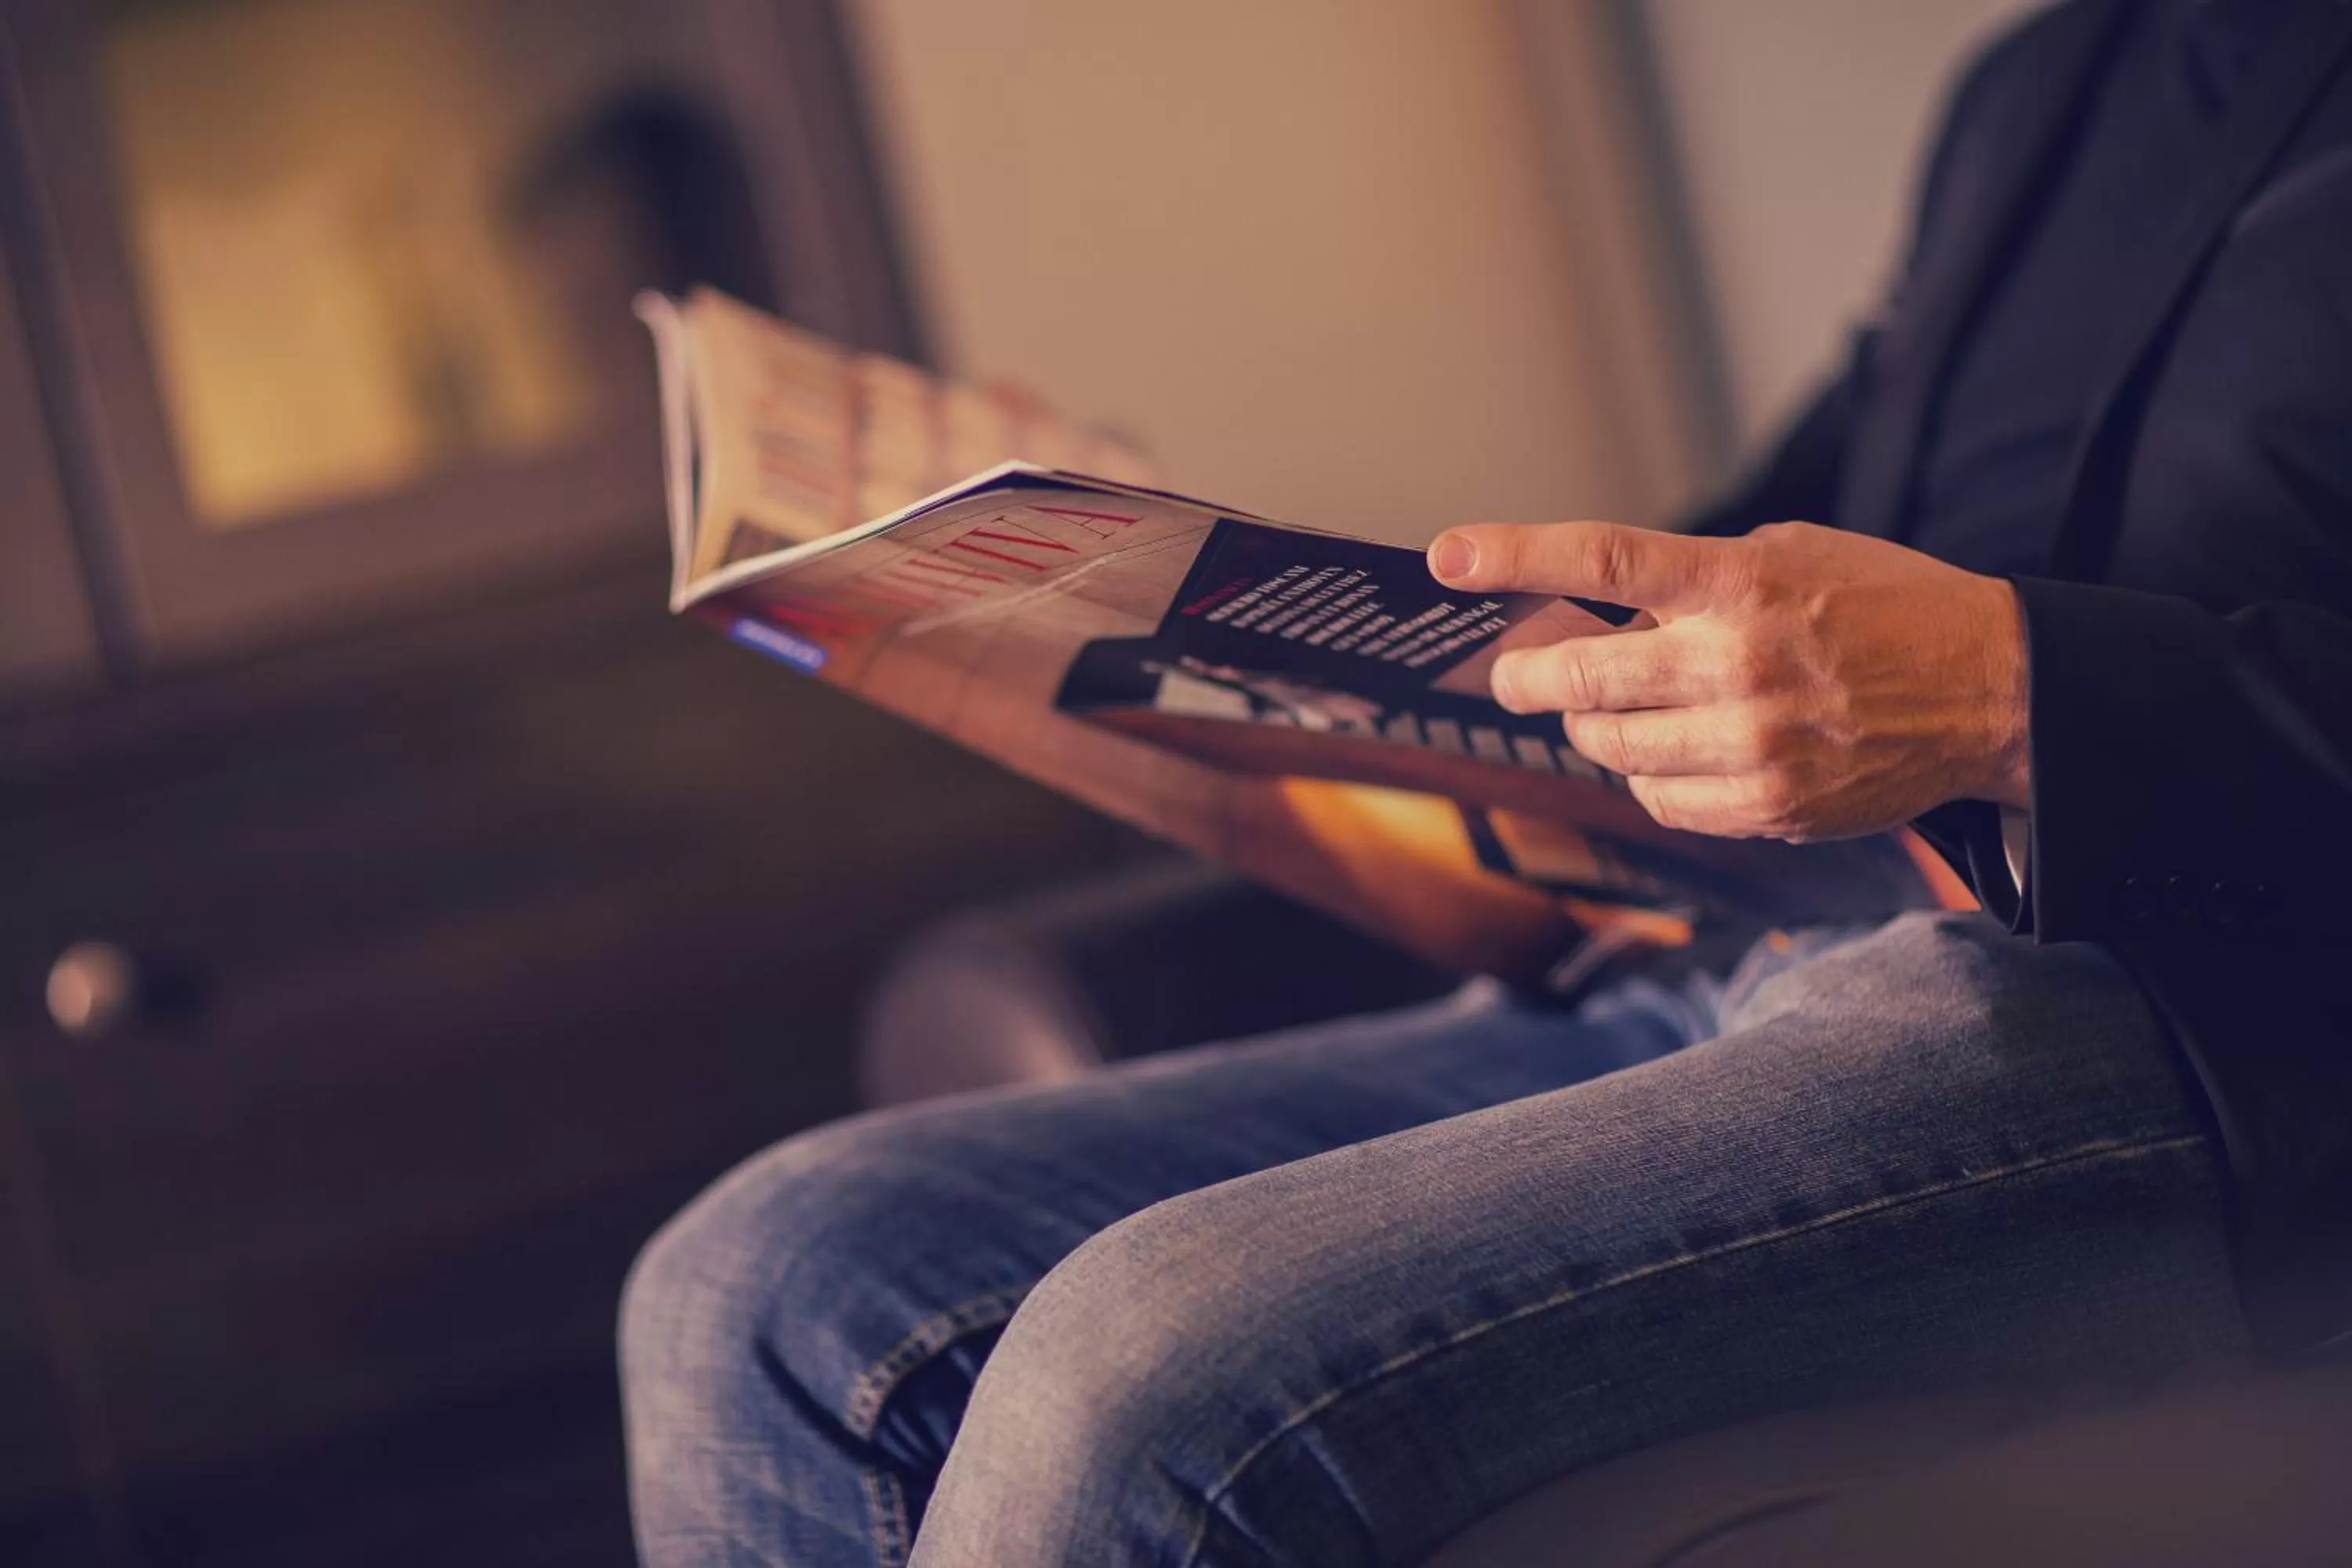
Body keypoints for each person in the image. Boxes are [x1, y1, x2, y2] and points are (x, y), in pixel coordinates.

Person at [619, 1, 2352, 1563]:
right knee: (768, 1275)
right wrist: (1141, 599)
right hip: (1751, 932)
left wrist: (2008, 694)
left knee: (1144, 1368)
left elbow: (1966, 657)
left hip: (2211, 1010)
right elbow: (1740, 563)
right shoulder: (2047, 85)